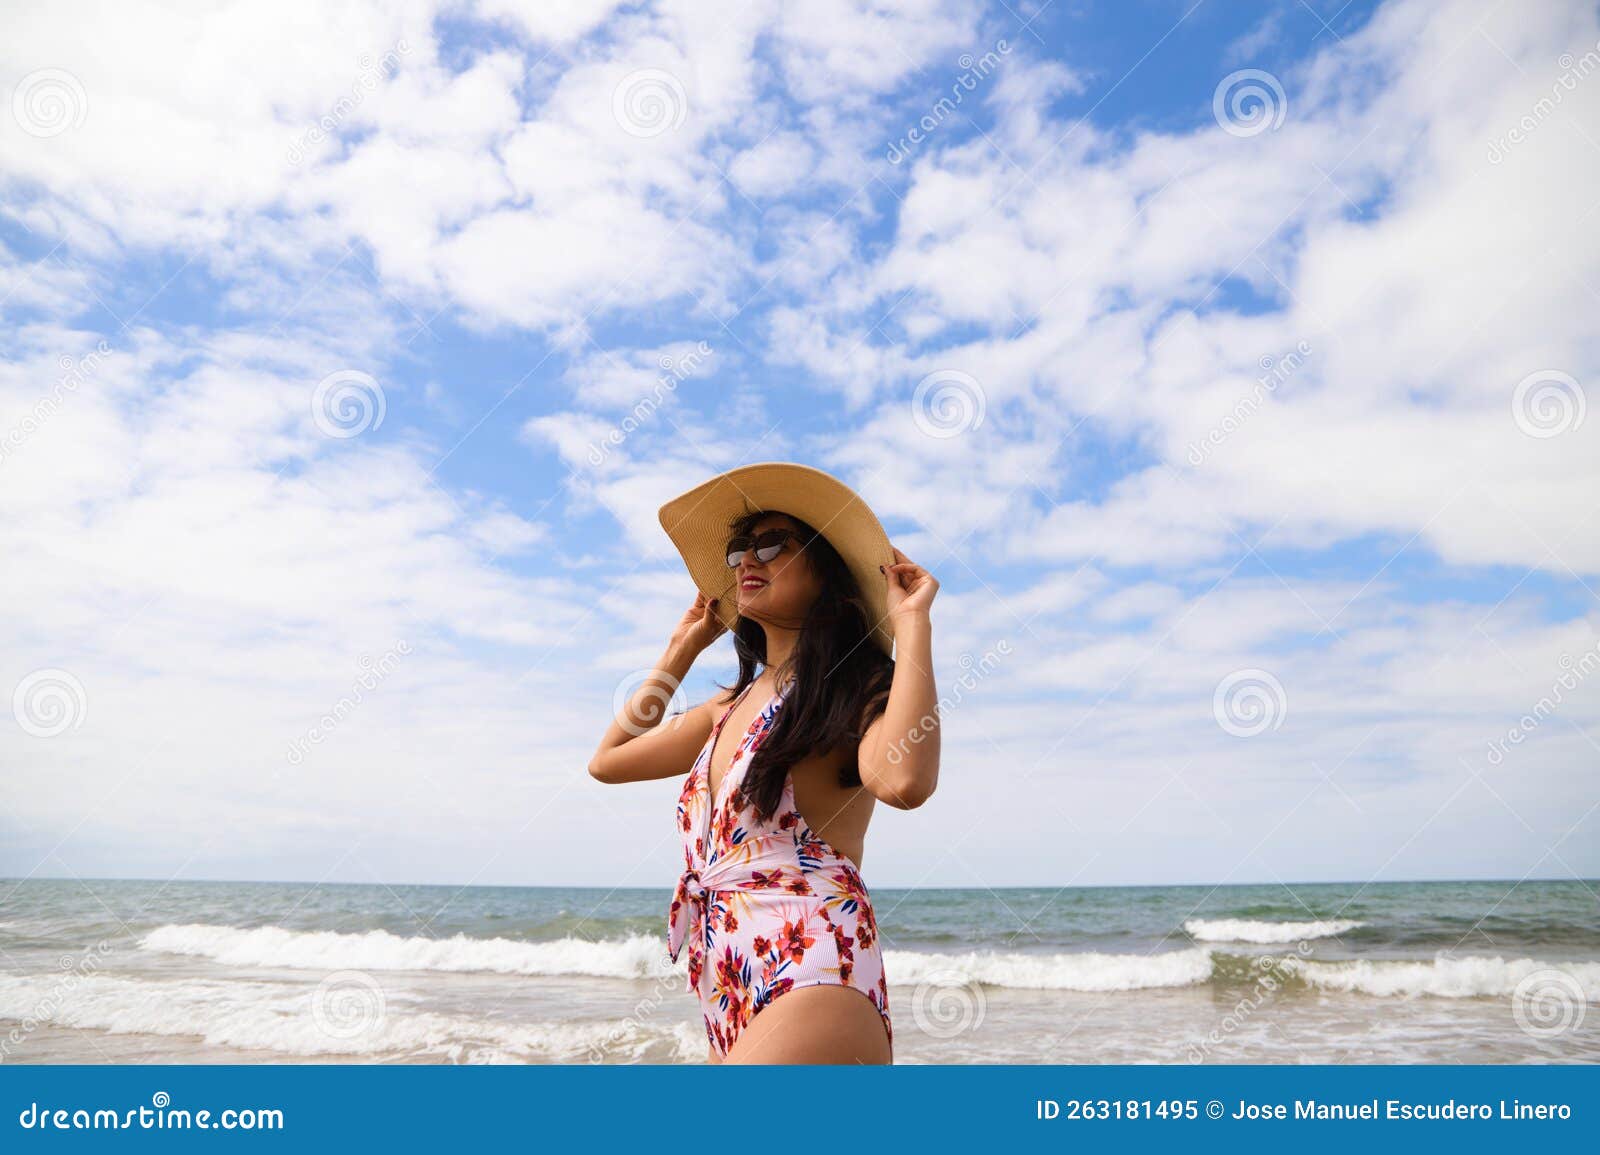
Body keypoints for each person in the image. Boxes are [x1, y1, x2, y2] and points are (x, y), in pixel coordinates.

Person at [589, 462, 940, 1064]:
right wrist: (680, 649)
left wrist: (911, 626)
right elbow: (608, 761)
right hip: (728, 977)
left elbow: (904, 782)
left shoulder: (854, 686)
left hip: (813, 959)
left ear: (829, 574)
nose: (747, 561)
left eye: (772, 545)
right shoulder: (724, 708)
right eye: (737, 552)